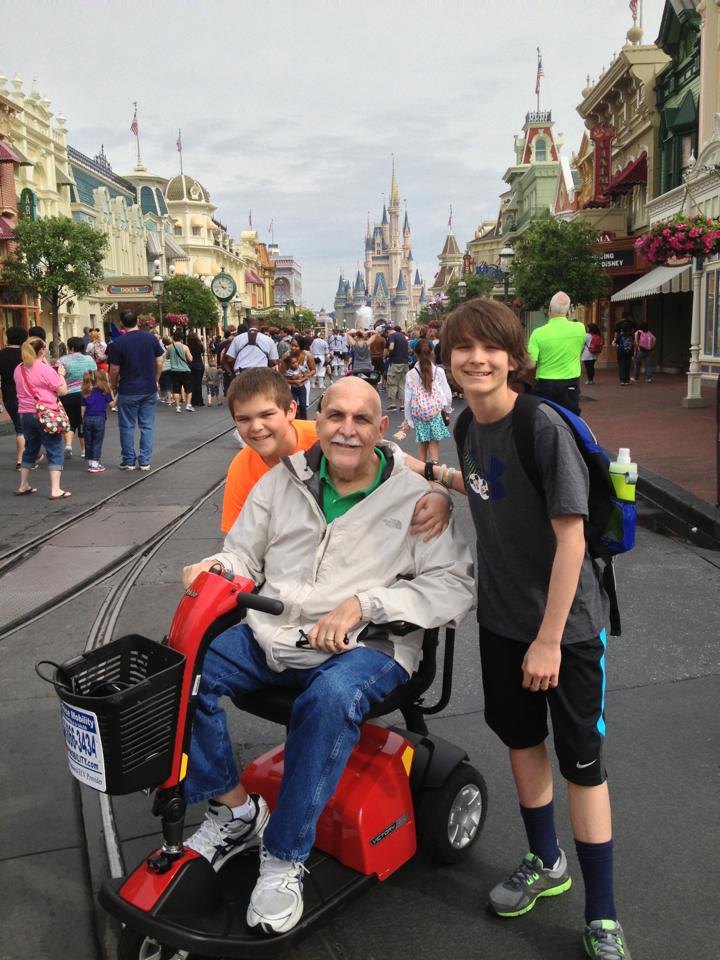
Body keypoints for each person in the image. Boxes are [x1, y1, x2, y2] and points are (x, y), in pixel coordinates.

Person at [180, 376, 474, 936]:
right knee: (184, 668)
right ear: (318, 420)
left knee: (331, 697)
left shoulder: (416, 499)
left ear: (382, 428)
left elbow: (453, 584)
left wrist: (367, 603)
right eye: (336, 416)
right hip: (278, 632)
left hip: (370, 645)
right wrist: (215, 569)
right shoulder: (280, 482)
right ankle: (235, 812)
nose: (347, 429)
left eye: (362, 419)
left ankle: (284, 856)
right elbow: (241, 554)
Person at [433, 297, 631, 960]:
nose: (477, 359)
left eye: (490, 347)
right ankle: (546, 862)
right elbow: (488, 488)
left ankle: (602, 915)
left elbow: (571, 539)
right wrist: (432, 480)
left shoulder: (541, 425)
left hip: (565, 632)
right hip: (502, 623)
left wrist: (548, 640)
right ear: (449, 358)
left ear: (514, 357)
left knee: (583, 766)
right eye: (464, 348)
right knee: (521, 743)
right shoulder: (466, 424)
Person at [13, 336, 70, 499]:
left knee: (30, 448)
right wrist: (61, 374)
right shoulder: (44, 369)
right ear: (42, 351)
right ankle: (55, 489)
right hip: (45, 413)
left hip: (25, 414)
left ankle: (23, 485)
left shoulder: (19, 369)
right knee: (54, 448)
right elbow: (62, 391)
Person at [107, 310, 164, 471]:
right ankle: (145, 460)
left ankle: (129, 460)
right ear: (138, 320)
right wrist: (156, 379)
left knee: (127, 426)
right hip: (148, 388)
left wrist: (113, 386)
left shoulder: (117, 343)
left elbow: (114, 369)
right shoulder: (151, 339)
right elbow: (159, 361)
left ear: (121, 323)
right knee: (147, 426)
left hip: (128, 389)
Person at [527, 291, 585, 414]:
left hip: (545, 384)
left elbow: (531, 364)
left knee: (544, 417)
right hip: (570, 382)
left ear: (549, 308)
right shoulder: (580, 328)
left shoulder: (538, 333)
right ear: (568, 310)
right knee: (570, 418)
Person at [396, 338, 452, 464]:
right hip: (435, 412)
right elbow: (447, 393)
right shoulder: (438, 371)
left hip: (419, 413)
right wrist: (447, 410)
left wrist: (408, 419)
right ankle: (434, 468)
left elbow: (408, 399)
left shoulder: (411, 374)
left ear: (416, 354)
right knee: (434, 442)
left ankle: (421, 471)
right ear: (432, 352)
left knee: (423, 444)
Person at [59, 336, 97, 459]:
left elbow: (58, 377)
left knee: (69, 421)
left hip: (68, 395)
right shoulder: (90, 359)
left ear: (71, 347)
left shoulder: (63, 360)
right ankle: (84, 450)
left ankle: (68, 445)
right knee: (82, 422)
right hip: (86, 393)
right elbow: (94, 376)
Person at [0, 325, 30, 470]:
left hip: (8, 395)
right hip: (25, 394)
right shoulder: (25, 354)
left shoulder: (1, 354)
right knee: (22, 428)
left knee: (20, 426)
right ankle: (21, 460)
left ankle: (29, 454)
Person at [81, 369, 113, 473]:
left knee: (89, 441)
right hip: (99, 418)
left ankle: (91, 462)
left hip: (87, 418)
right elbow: (112, 404)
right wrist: (115, 394)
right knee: (97, 441)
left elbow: (83, 408)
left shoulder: (86, 392)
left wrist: (82, 420)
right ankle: (95, 463)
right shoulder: (105, 392)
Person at [167, 331, 193, 412]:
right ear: (181, 338)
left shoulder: (170, 347)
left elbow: (167, 357)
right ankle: (188, 405)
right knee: (188, 389)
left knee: (176, 390)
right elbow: (190, 359)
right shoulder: (185, 347)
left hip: (174, 370)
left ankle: (178, 407)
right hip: (184, 370)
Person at [385, 324, 409, 411]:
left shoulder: (392, 336)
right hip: (405, 363)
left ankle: (393, 405)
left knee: (392, 383)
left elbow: (391, 346)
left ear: (388, 331)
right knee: (402, 384)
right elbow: (409, 350)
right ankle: (402, 406)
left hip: (395, 363)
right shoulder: (403, 336)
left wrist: (388, 354)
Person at [612, 318, 635, 386]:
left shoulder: (620, 336)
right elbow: (633, 344)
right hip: (629, 352)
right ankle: (627, 380)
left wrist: (614, 340)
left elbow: (614, 344)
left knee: (621, 366)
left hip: (621, 352)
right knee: (627, 366)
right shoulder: (631, 336)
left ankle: (622, 380)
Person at [187, 332, 206, 407]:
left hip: (191, 366)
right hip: (199, 365)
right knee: (198, 384)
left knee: (192, 384)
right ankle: (200, 401)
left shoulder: (188, 346)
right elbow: (203, 351)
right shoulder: (199, 345)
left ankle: (193, 401)